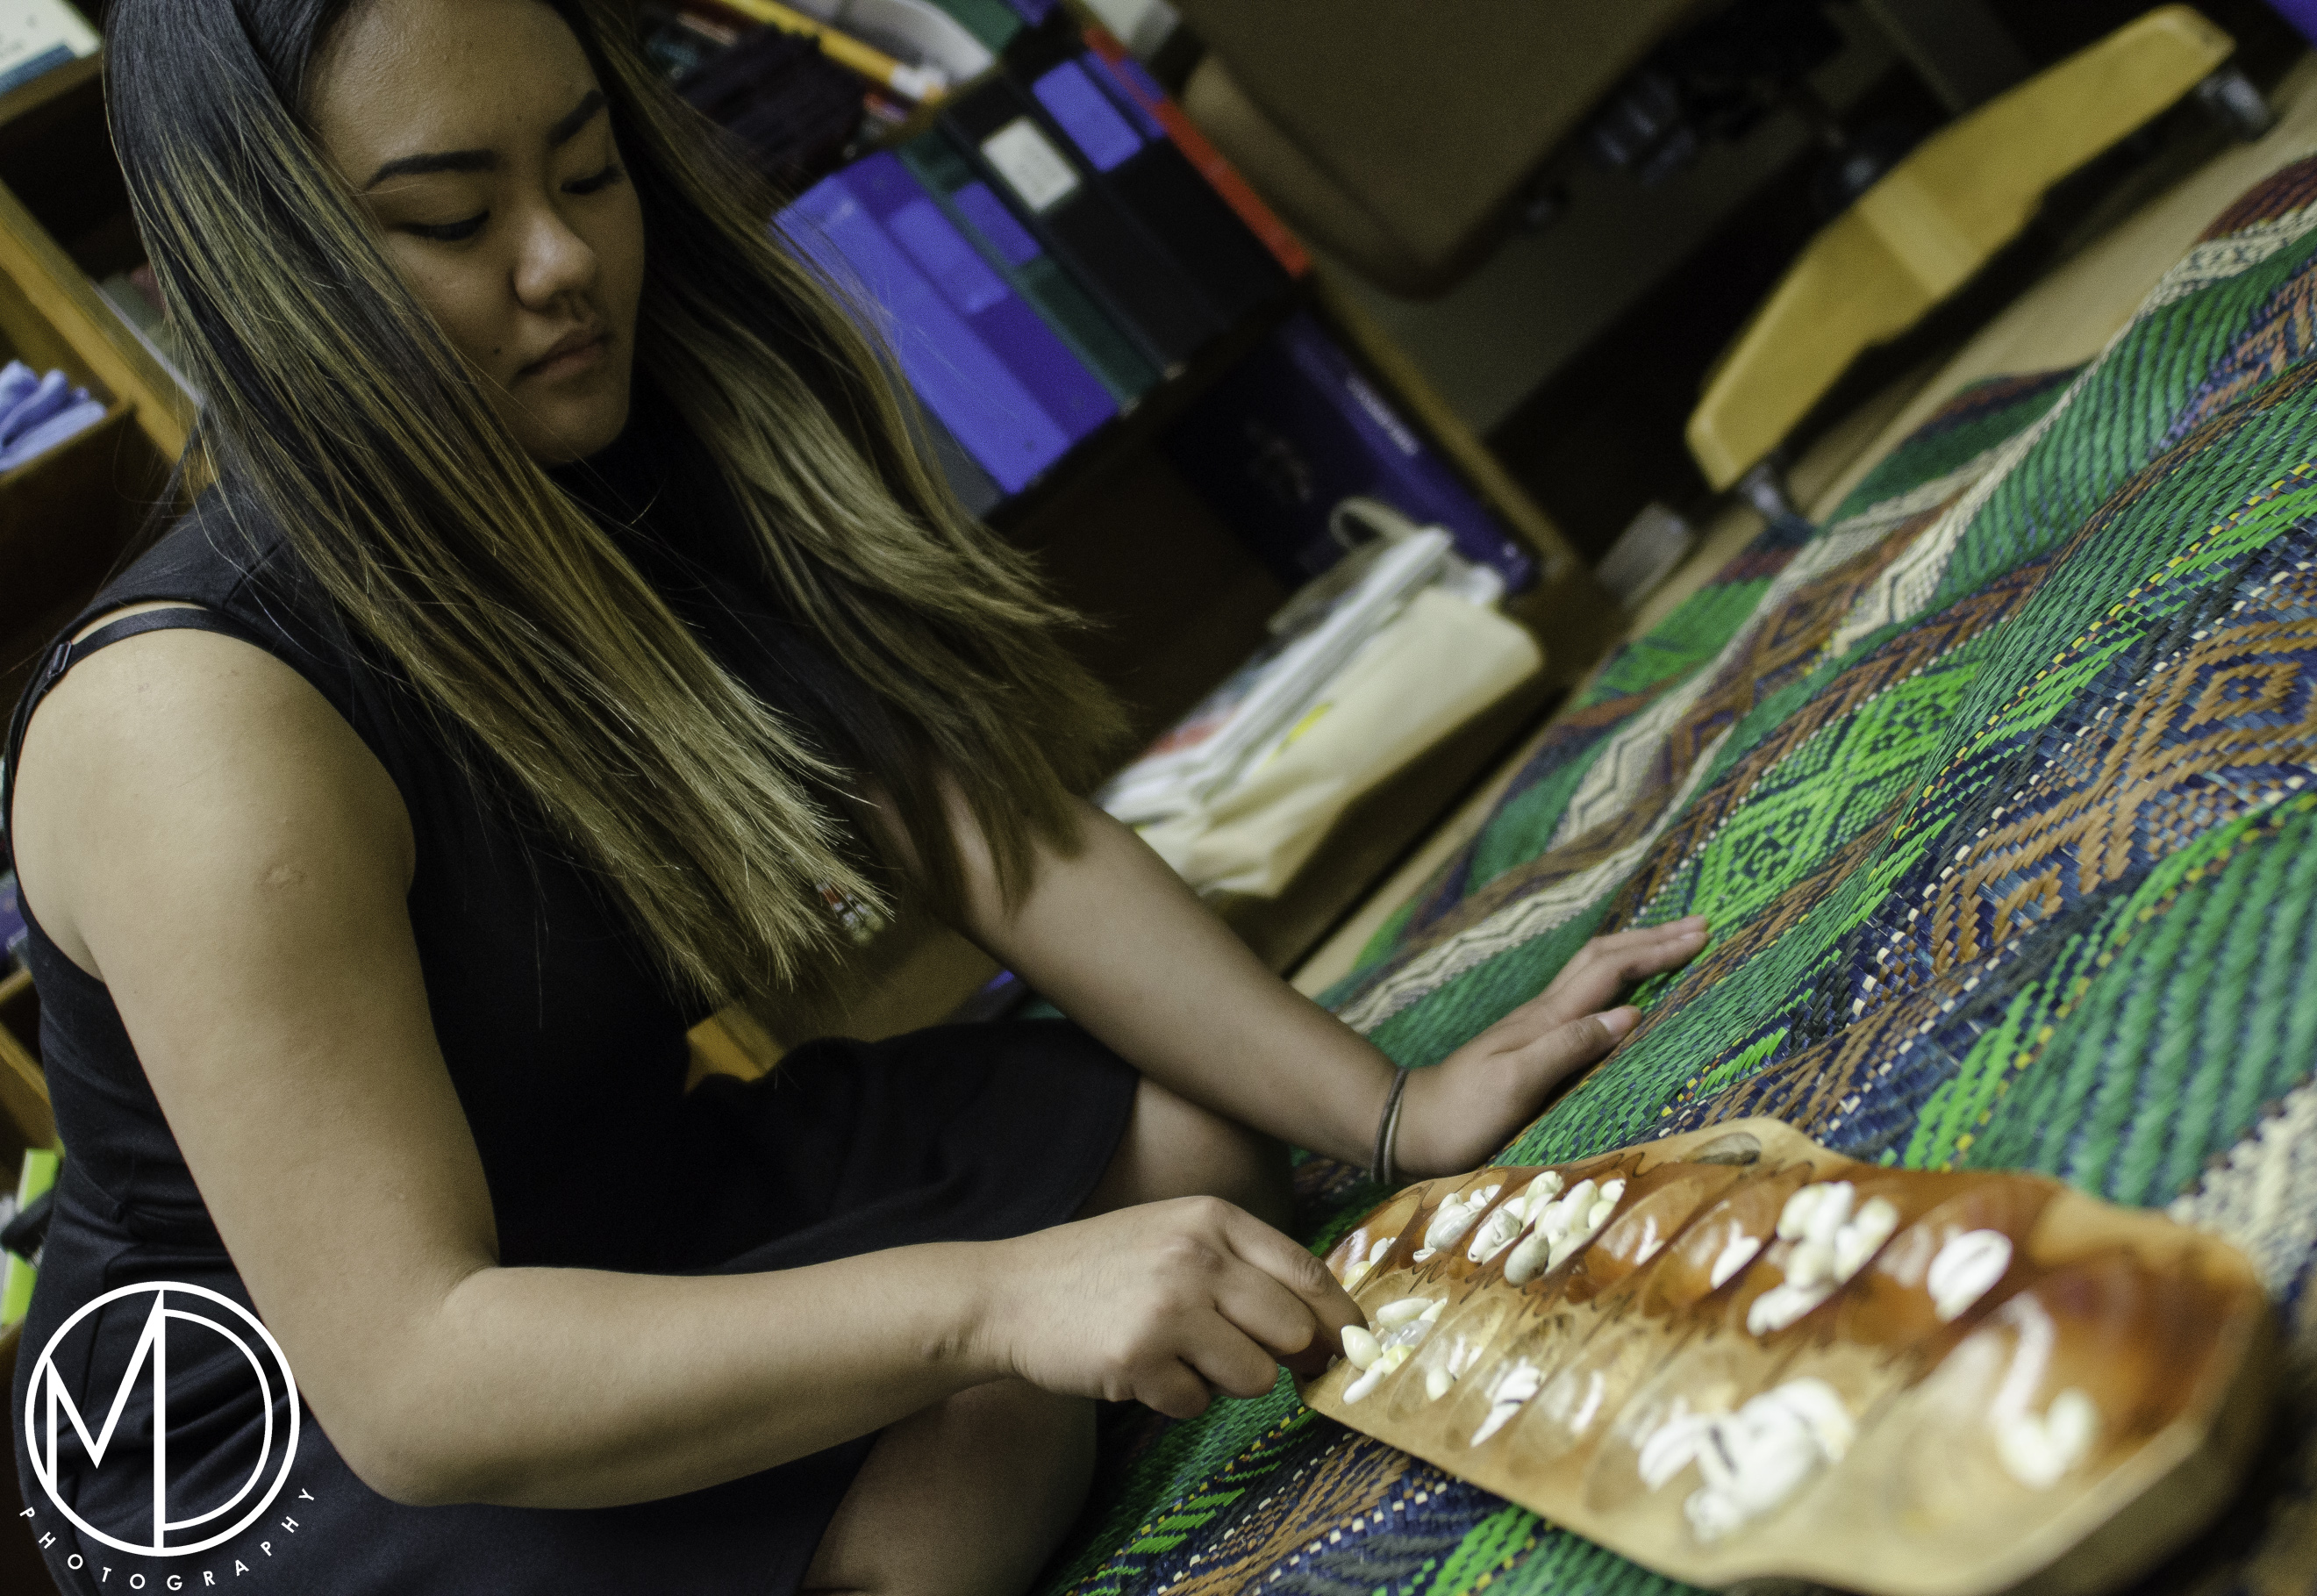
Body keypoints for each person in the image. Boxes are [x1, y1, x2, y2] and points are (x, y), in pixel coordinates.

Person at [2, 1, 1708, 1592]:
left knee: (1192, 1149)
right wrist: (990, 1306)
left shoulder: (610, 446)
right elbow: (418, 1379)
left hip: (619, 1203)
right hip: (275, 1445)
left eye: (589, 168)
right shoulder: (192, 719)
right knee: (981, 1398)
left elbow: (978, 817)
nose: (566, 258)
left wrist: (1392, 1115)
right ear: (254, 273)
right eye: (452, 220)